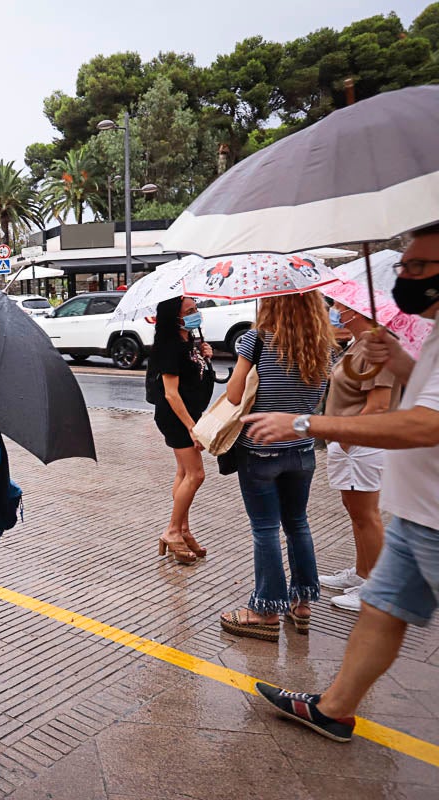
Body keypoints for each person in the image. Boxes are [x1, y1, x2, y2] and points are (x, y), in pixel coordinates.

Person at [245, 224, 439, 742]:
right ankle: (334, 707)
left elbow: (426, 422)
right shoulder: (429, 333)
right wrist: (396, 359)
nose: (406, 276)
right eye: (404, 266)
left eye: (419, 267)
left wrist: (307, 424)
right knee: (382, 610)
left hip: (436, 519)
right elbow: (420, 388)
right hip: (418, 512)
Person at [218, 293, 335, 641]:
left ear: (271, 304)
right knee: (298, 523)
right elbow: (317, 401)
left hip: (260, 450)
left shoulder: (255, 340)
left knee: (265, 529)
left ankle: (265, 609)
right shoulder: (321, 344)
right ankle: (302, 604)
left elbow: (235, 395)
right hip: (301, 449)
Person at [318, 300, 402, 611]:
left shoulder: (377, 345)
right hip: (349, 442)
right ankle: (362, 573)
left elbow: (379, 403)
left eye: (339, 305)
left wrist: (351, 439)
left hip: (362, 444)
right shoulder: (358, 343)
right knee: (356, 512)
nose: (334, 310)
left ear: (358, 309)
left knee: (367, 515)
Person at [149, 296, 214, 564]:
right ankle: (172, 530)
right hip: (176, 417)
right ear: (174, 318)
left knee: (185, 472)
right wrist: (192, 427)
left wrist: (205, 357)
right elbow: (171, 394)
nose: (195, 314)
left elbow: (194, 378)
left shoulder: (189, 342)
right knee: (197, 474)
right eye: (189, 311)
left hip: (188, 414)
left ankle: (183, 530)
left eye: (196, 309)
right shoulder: (168, 346)